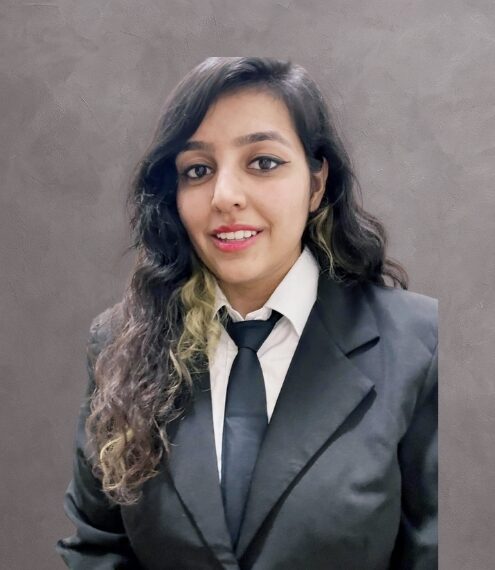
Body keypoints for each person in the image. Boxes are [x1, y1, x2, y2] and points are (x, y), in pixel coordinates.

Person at [56, 57, 438, 570]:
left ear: (316, 184)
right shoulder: (120, 343)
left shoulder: (420, 345)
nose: (225, 197)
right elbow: (98, 546)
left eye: (263, 162)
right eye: (198, 170)